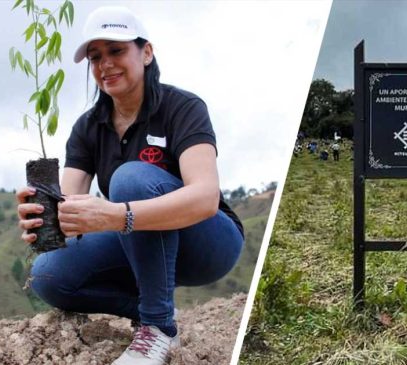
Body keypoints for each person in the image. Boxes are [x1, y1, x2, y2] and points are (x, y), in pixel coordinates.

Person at [16, 6, 243, 365]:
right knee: (48, 274)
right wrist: (43, 218)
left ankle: (158, 329)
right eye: (96, 56)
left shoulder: (182, 107)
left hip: (207, 243)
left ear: (146, 52)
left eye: (116, 50)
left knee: (131, 177)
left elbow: (205, 197)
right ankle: (154, 311)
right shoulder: (88, 127)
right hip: (140, 247)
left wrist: (118, 216)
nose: (105, 64)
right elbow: (69, 204)